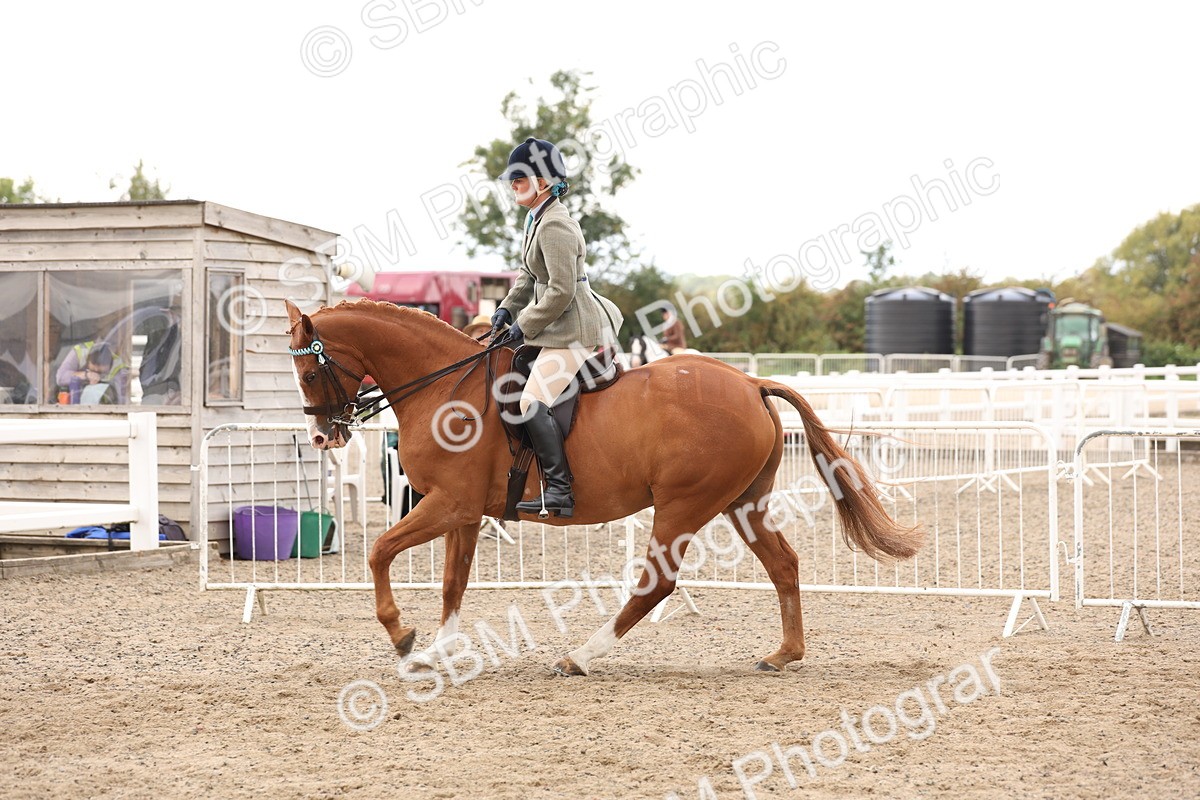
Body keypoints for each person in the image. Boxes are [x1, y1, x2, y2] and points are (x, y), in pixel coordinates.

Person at [491, 136, 624, 519]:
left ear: (544, 182)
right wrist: (506, 309)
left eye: (519, 178)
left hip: (574, 330)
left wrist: (523, 324)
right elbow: (529, 275)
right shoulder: (536, 217)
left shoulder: (556, 226)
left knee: (532, 401)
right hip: (555, 326)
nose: (512, 185)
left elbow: (562, 291)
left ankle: (560, 492)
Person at [56, 340, 130, 404]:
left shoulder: (119, 367)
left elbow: (122, 400)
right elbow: (60, 377)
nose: (96, 375)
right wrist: (85, 375)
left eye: (101, 372)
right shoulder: (79, 352)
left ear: (110, 365)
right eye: (93, 370)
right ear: (87, 361)